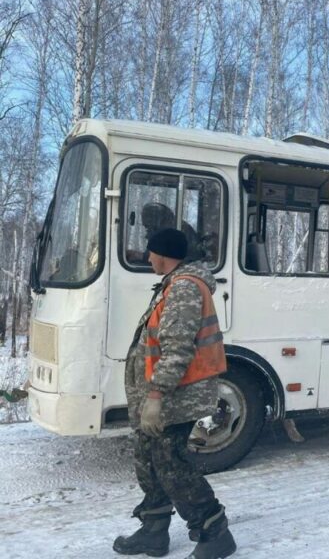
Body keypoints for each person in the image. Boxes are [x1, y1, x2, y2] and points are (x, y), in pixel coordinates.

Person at [114, 228, 236, 558]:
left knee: (172, 466)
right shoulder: (171, 285)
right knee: (149, 461)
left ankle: (215, 532)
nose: (148, 257)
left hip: (176, 396)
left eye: (151, 253)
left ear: (164, 254)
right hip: (160, 394)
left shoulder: (184, 289)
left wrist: (156, 396)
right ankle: (154, 532)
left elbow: (178, 350)